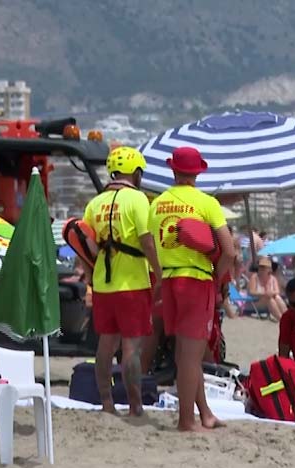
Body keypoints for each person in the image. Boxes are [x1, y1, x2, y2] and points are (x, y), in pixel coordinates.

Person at [149, 147, 236, 432]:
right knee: (190, 355)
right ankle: (186, 421)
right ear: (198, 172)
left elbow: (151, 244)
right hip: (196, 280)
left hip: (169, 281)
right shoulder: (206, 202)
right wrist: (217, 277)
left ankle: (205, 413)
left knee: (185, 354)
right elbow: (230, 252)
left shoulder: (157, 203)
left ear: (173, 170)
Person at [82, 146, 162, 416]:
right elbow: (147, 242)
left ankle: (106, 402)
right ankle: (135, 405)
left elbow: (88, 248)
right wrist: (159, 274)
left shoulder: (94, 204)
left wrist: (92, 278)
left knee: (106, 344)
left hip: (104, 285)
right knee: (131, 348)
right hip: (133, 285)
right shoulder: (138, 200)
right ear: (136, 172)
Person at [247, 255, 286, 321]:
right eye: (260, 267)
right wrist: (264, 293)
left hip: (269, 301)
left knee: (277, 297)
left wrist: (271, 293)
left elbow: (277, 291)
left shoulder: (273, 278)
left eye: (264, 267)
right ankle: (281, 319)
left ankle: (287, 316)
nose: (261, 269)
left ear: (269, 269)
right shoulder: (255, 277)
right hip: (256, 302)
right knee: (269, 299)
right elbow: (251, 292)